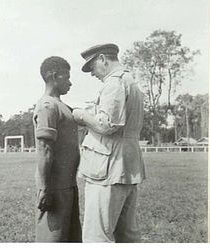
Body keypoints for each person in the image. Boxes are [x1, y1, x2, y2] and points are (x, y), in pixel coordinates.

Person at [72, 43, 146, 243]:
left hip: (108, 167)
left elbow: (107, 126)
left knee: (97, 236)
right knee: (126, 235)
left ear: (103, 59)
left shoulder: (114, 83)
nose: (92, 73)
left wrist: (81, 115)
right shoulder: (130, 81)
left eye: (92, 67)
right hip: (125, 165)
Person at [32, 56, 82, 242]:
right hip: (54, 187)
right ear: (53, 76)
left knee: (71, 238)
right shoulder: (47, 106)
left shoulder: (62, 106)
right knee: (52, 239)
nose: (70, 82)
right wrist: (44, 189)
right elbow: (45, 149)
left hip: (68, 185)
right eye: (66, 77)